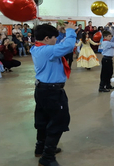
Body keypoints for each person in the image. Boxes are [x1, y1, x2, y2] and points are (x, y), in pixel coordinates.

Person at [30, 23, 76, 166]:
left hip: (42, 90)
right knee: (58, 122)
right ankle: (47, 157)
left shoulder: (37, 48)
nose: (56, 39)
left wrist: (61, 34)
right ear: (46, 38)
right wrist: (70, 31)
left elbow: (59, 46)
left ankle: (41, 148)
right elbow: (68, 46)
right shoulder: (47, 51)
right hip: (52, 92)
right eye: (54, 37)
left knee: (43, 119)